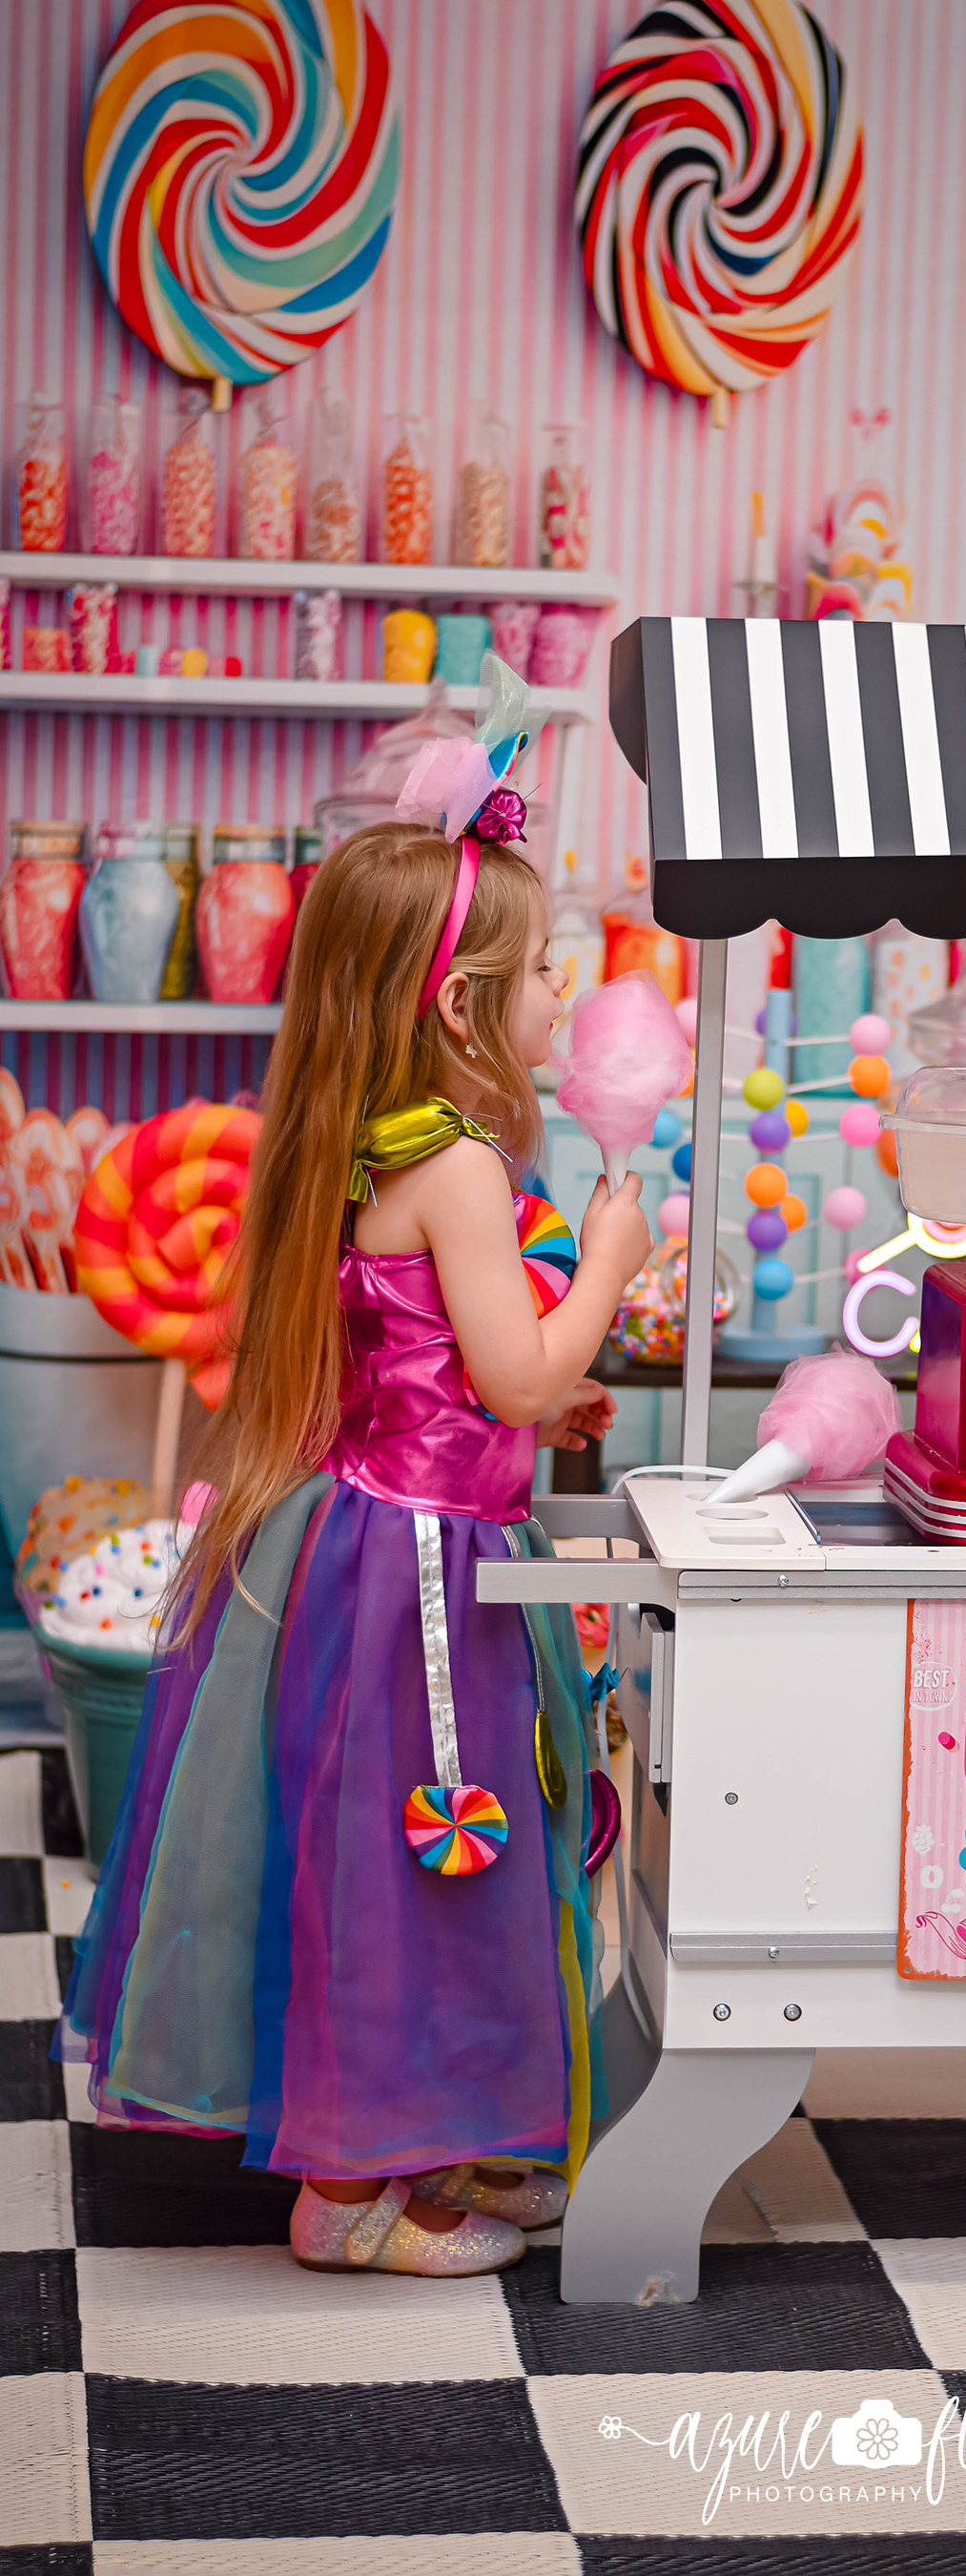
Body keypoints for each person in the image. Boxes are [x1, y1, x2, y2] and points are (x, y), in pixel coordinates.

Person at [58, 794, 654, 2278]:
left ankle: (434, 2135)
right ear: (462, 1006)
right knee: (424, 1862)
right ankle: (350, 2192)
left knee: (391, 1856)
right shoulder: (461, 1167)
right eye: (539, 972)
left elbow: (435, 1373)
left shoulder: (370, 1143)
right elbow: (513, 1370)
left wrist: (526, 1413)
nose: (560, 997)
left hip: (365, 1546)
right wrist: (610, 1265)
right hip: (427, 1579)